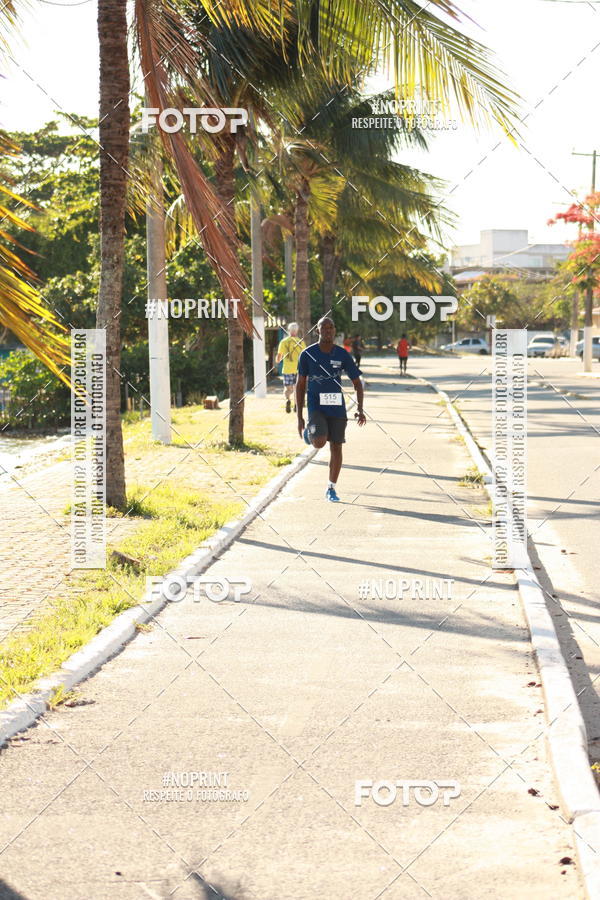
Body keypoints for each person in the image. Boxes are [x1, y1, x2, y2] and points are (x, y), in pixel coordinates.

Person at [296, 316, 366, 502]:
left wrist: (360, 408)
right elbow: (300, 385)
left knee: (336, 446)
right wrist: (300, 417)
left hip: (337, 407)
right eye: (323, 327)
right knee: (319, 442)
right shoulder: (307, 354)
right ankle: (311, 433)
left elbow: (357, 383)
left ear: (334, 330)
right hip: (316, 406)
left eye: (331, 327)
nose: (328, 330)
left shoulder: (342, 355)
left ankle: (331, 488)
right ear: (317, 330)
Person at [276, 322, 305, 413]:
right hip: (298, 369)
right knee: (297, 388)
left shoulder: (283, 342)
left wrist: (277, 361)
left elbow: (279, 356)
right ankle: (296, 404)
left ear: (289, 330)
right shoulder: (301, 342)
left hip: (287, 369)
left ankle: (288, 400)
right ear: (296, 331)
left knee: (288, 388)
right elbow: (304, 355)